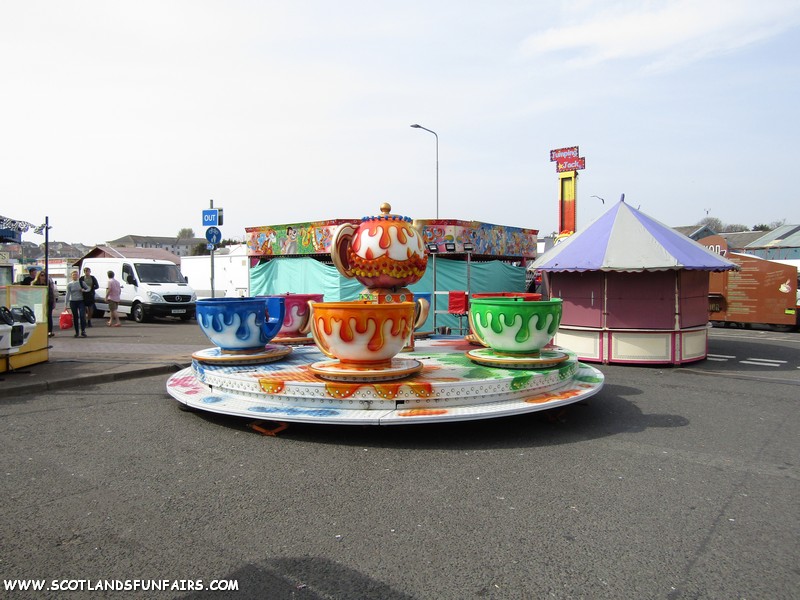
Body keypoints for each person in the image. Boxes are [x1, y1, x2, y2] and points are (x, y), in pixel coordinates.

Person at [32, 270, 58, 337]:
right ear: (38, 276)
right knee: (39, 316)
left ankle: (49, 331)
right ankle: (39, 331)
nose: (43, 277)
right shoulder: (34, 283)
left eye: (45, 276)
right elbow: (32, 293)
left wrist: (54, 302)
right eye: (42, 275)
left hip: (48, 302)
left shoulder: (48, 283)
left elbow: (52, 293)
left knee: (49, 316)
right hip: (38, 302)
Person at [65, 270, 89, 338]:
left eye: (76, 275)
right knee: (75, 317)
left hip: (81, 301)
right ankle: (77, 332)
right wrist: (66, 304)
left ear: (78, 276)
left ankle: (83, 331)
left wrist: (84, 290)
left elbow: (88, 288)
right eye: (73, 275)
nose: (75, 276)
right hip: (73, 301)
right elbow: (67, 294)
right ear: (71, 276)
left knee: (82, 316)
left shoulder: (81, 282)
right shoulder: (69, 284)